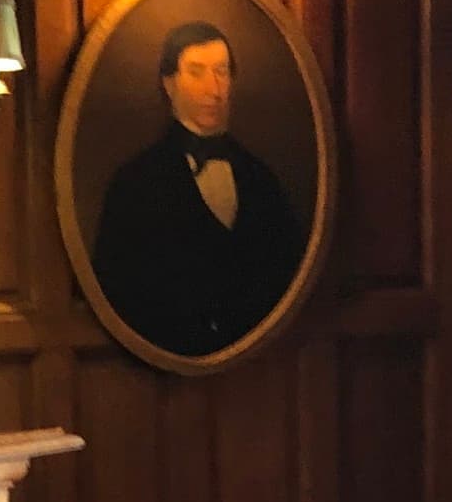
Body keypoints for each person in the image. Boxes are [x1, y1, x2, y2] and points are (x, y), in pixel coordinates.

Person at [91, 20, 304, 358]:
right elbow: (119, 288)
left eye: (221, 72)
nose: (214, 89)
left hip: (258, 370)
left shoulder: (262, 180)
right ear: (169, 84)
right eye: (197, 72)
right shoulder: (134, 182)